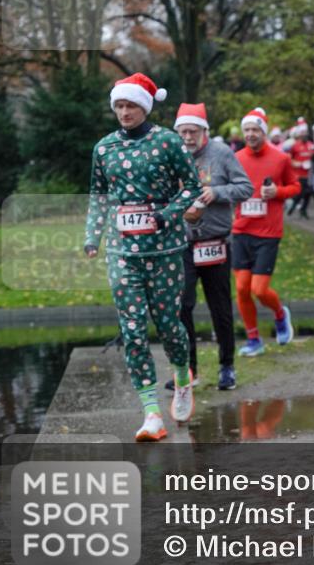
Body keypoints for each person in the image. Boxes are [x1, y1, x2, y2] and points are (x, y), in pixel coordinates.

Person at [84, 73, 201, 440]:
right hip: (122, 253)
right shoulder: (104, 148)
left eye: (130, 105)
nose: (123, 112)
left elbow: (193, 187)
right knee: (132, 331)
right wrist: (92, 237)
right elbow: (99, 195)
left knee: (168, 326)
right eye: (118, 106)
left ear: (144, 107)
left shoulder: (167, 141)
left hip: (164, 251)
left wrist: (167, 214)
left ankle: (183, 375)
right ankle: (151, 413)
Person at [173, 103, 253, 393]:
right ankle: (189, 369)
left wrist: (217, 192)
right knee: (182, 306)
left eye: (193, 131)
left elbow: (246, 188)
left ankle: (227, 367)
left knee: (220, 308)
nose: (188, 137)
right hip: (183, 244)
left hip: (215, 243)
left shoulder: (221, 154)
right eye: (183, 132)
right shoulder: (172, 154)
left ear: (204, 131)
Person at [232, 107, 301, 357]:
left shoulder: (280, 159)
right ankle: (253, 339)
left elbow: (295, 186)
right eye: (247, 130)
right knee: (241, 288)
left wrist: (277, 193)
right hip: (241, 230)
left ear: (263, 131)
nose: (250, 134)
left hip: (268, 232)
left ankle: (281, 315)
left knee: (259, 290)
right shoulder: (236, 158)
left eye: (255, 130)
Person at [288, 122, 314, 218]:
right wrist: (297, 164)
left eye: (305, 134)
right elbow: (289, 159)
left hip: (309, 174)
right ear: (299, 135)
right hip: (298, 174)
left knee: (309, 192)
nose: (304, 135)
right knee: (300, 192)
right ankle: (293, 206)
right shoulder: (295, 146)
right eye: (302, 134)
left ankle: (303, 210)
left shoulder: (311, 145)